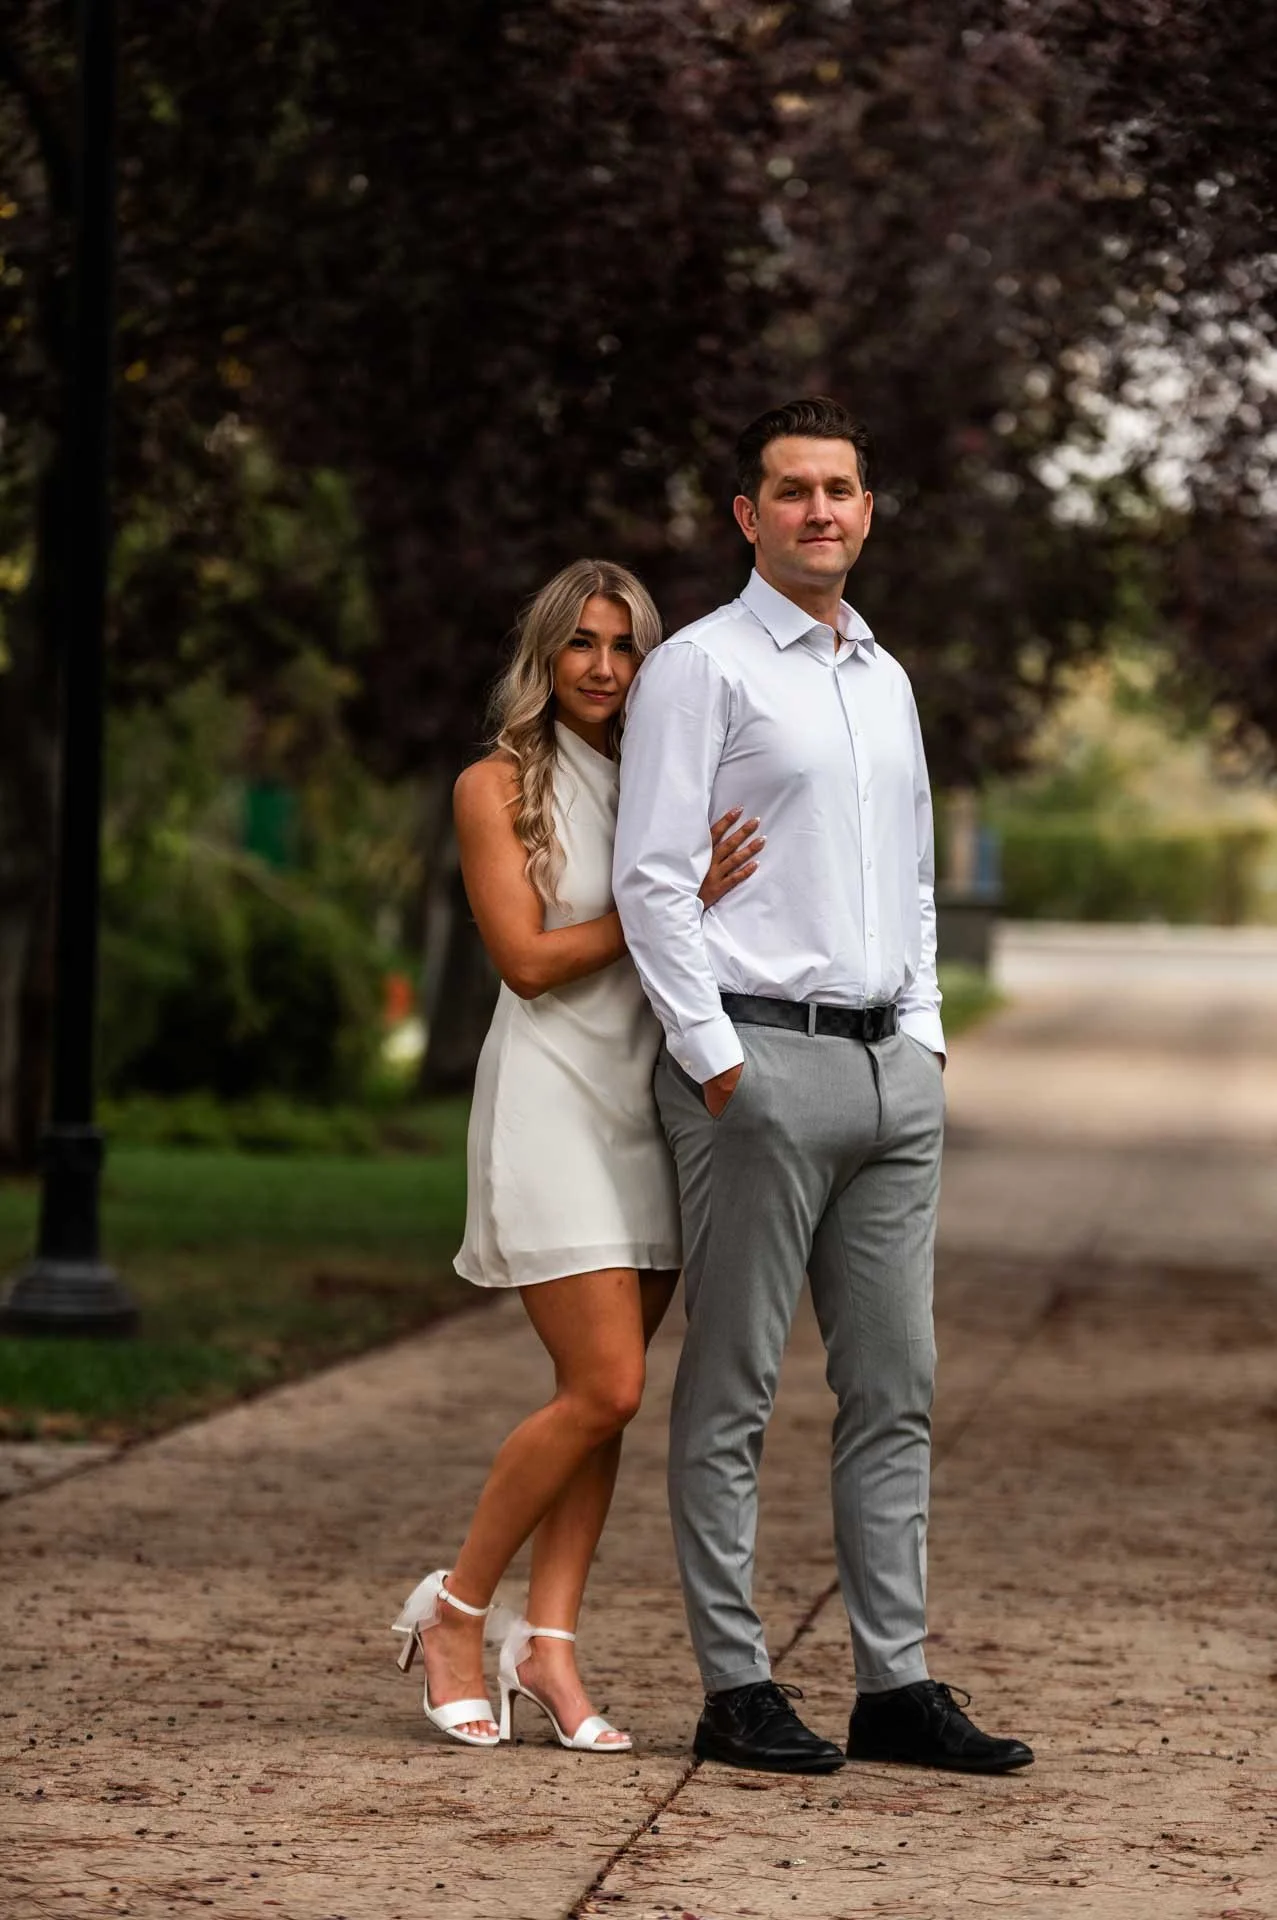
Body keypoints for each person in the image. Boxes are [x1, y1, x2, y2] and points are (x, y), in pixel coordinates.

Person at [613, 397, 1033, 1776]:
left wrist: (921, 1040)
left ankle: (892, 1686)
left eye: (840, 489)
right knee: (731, 1391)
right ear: (748, 516)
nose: (818, 512)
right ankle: (734, 1684)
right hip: (757, 1064)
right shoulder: (704, 669)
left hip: (884, 1073)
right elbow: (653, 881)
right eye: (790, 491)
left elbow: (907, 877)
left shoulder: (882, 676)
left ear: (868, 509)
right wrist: (720, 1063)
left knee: (895, 1388)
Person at [390, 558, 763, 1753]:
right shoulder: (491, 784)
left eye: (624, 647)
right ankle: (454, 1610)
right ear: (544, 656)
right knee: (604, 1384)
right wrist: (672, 900)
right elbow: (528, 960)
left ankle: (547, 1648)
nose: (603, 669)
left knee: (596, 1408)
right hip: (551, 1097)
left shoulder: (664, 781)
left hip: (651, 1104)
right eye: (581, 645)